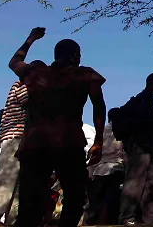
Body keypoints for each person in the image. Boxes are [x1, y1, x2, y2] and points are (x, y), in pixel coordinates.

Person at [8, 27, 106, 227]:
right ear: (76, 56)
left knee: (29, 200)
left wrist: (31, 39)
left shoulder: (35, 73)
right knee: (75, 195)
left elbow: (14, 62)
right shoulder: (85, 75)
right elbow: (99, 106)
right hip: (69, 143)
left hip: (36, 144)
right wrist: (98, 141)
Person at [119, 73, 153, 225]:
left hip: (147, 147)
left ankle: (151, 219)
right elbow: (143, 124)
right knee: (135, 182)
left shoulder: (144, 100)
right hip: (140, 147)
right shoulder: (143, 100)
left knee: (150, 184)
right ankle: (126, 217)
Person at [0, 81, 28, 224]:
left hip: (21, 138)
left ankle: (12, 220)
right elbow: (30, 101)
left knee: (19, 184)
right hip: (15, 137)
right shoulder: (22, 85)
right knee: (6, 182)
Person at [87, 110, 127, 225]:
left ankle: (93, 221)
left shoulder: (101, 131)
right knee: (109, 199)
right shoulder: (121, 131)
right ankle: (102, 222)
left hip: (99, 169)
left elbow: (96, 150)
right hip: (115, 168)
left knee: (97, 199)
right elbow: (123, 152)